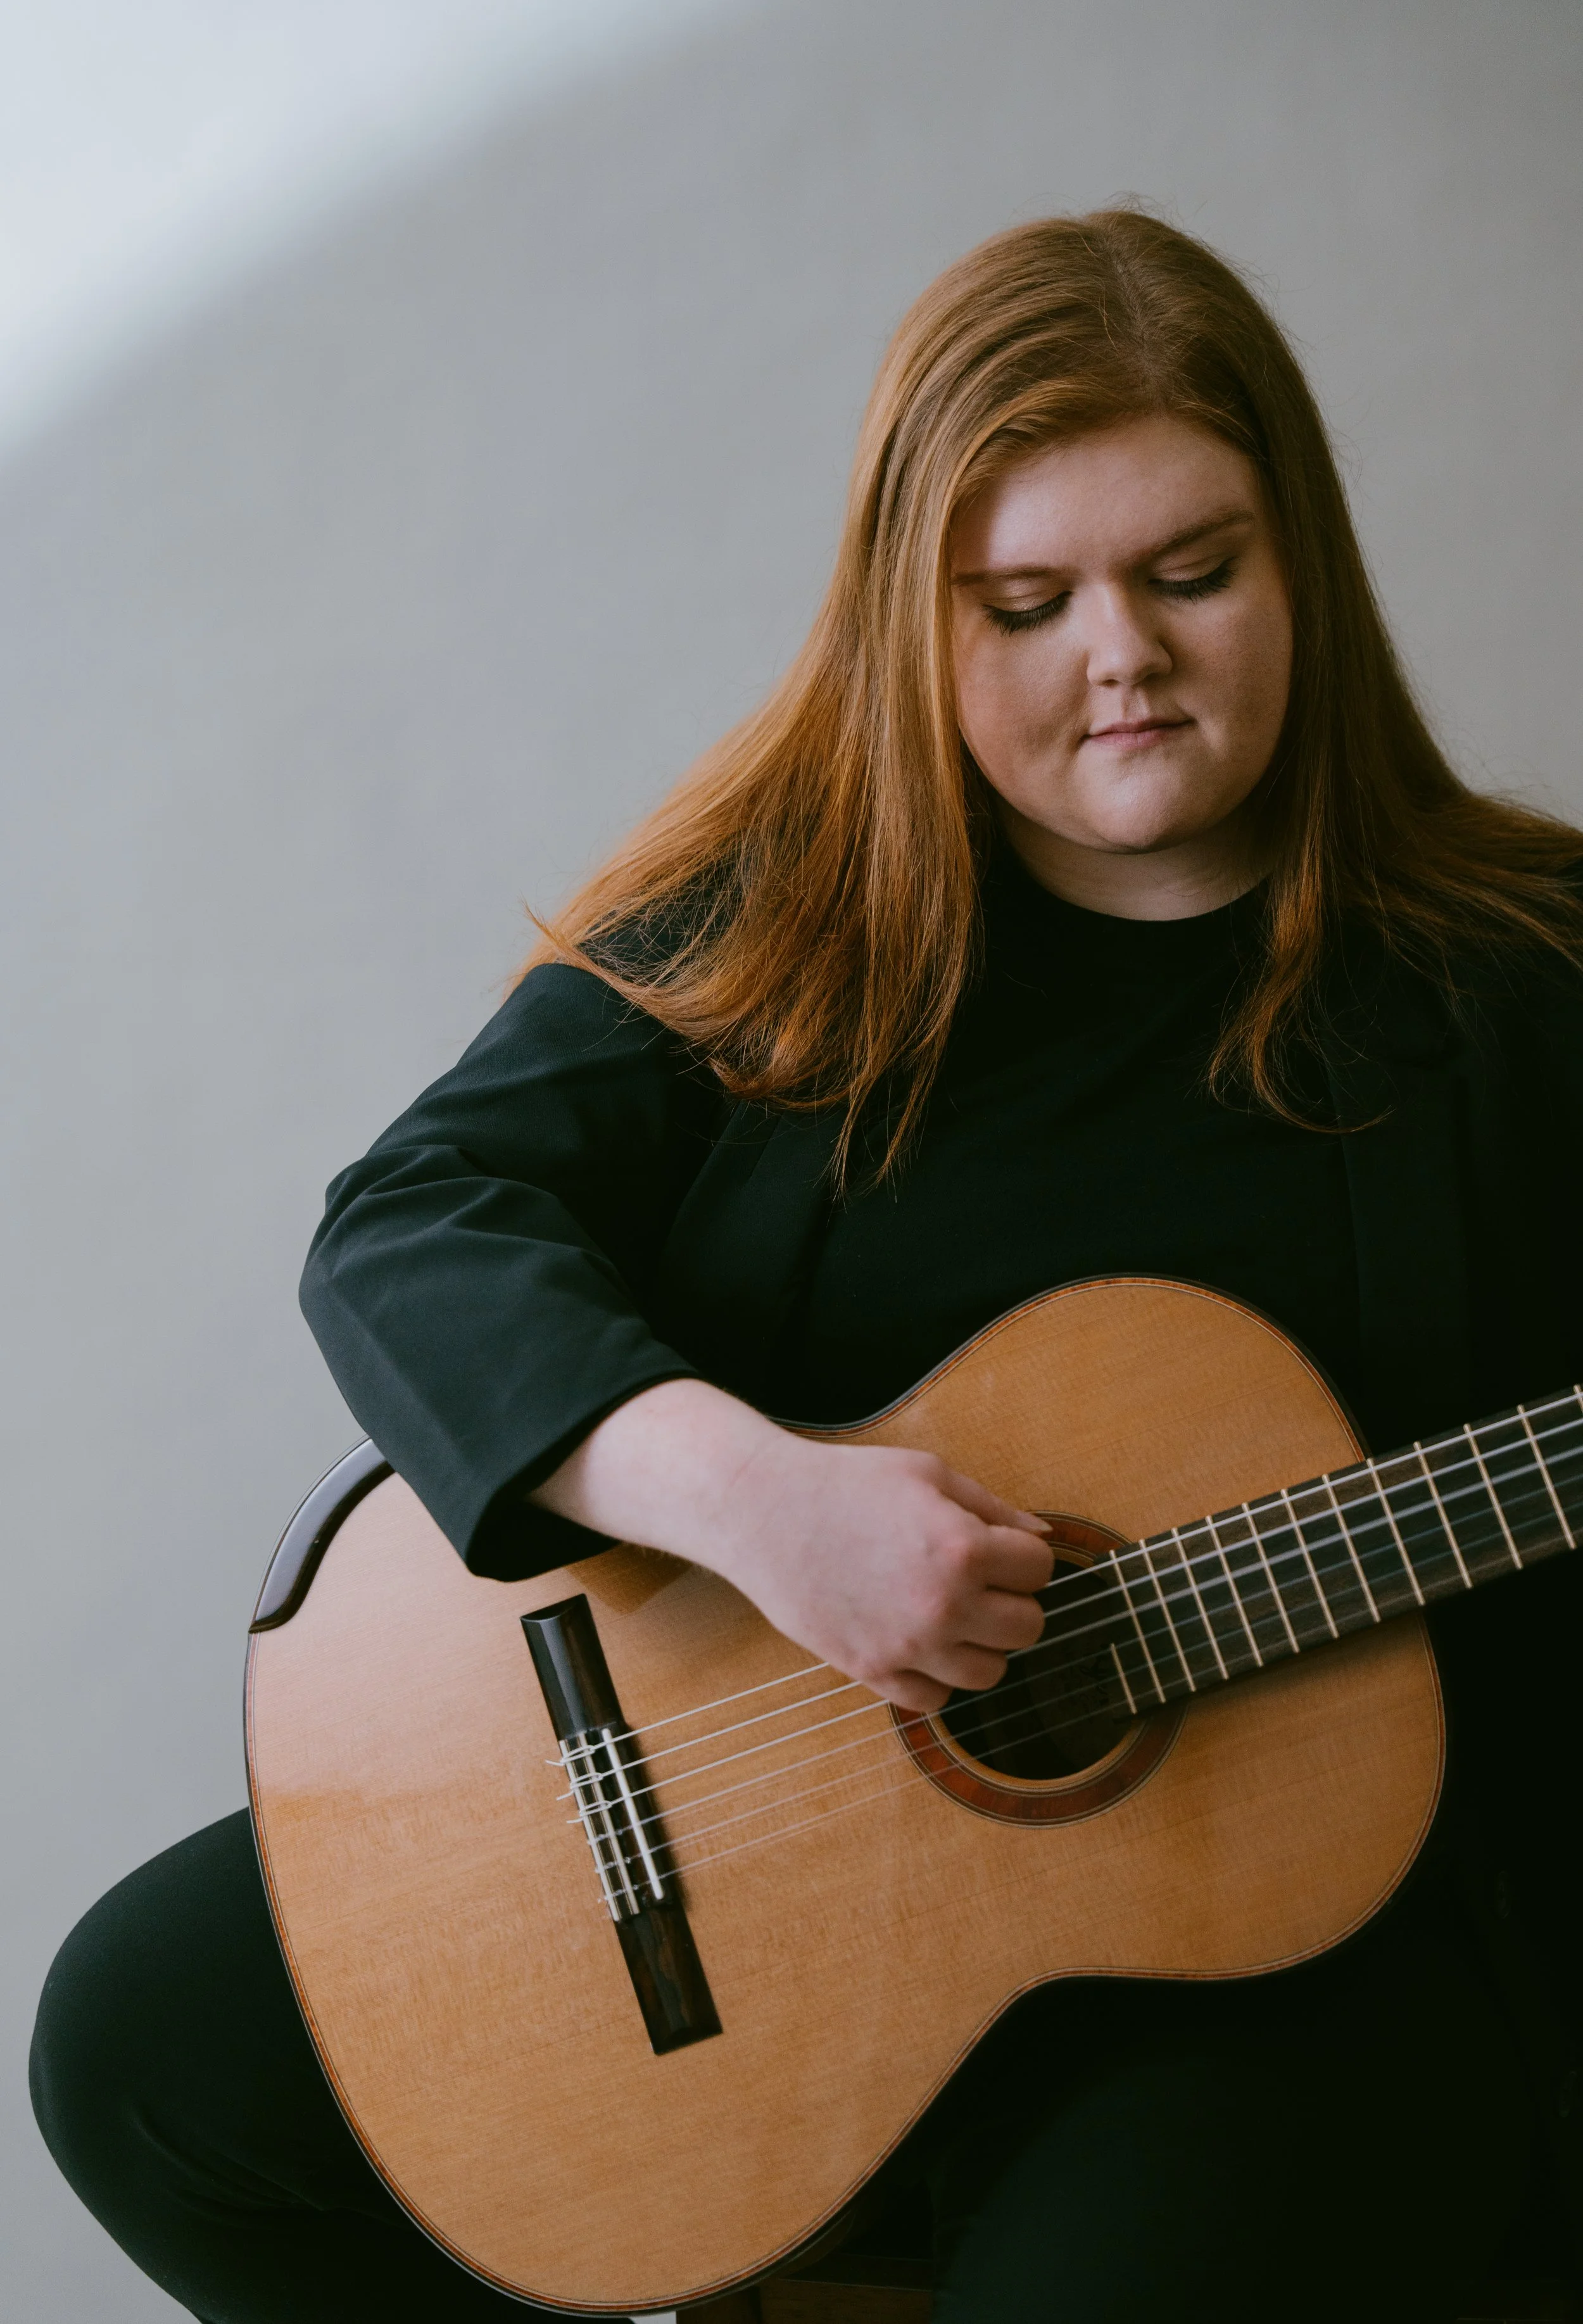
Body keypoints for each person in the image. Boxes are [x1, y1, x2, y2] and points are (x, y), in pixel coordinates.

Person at [30, 209, 1583, 2324]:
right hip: (747, 1859)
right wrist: (759, 1503)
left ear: (1298, 558)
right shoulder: (785, 918)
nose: (1117, 652)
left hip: (1289, 1958)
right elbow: (411, 1222)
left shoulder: (1517, 976)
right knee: (144, 2047)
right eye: (1023, 601)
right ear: (911, 622)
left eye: (1192, 570)